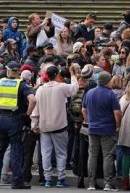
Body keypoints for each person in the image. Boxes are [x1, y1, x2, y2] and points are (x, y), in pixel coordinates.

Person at [30, 65, 78, 188]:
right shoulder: (61, 87)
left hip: (44, 126)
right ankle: (61, 179)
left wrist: (34, 124)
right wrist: (73, 75)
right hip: (60, 126)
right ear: (57, 75)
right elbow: (74, 89)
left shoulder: (40, 89)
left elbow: (36, 109)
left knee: (45, 153)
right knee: (61, 153)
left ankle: (47, 179)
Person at [82, 71, 122, 191]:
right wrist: (118, 125)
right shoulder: (110, 94)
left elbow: (83, 110)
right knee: (107, 155)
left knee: (92, 155)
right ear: (107, 81)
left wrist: (88, 121)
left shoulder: (89, 92)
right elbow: (117, 113)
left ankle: (91, 183)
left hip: (92, 128)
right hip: (107, 129)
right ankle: (108, 183)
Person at [0, 61, 36, 189]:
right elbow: (33, 100)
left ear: (8, 70)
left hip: (1, 118)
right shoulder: (21, 84)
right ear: (18, 71)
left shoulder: (0, 82)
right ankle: (17, 182)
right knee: (16, 151)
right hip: (14, 120)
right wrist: (27, 114)